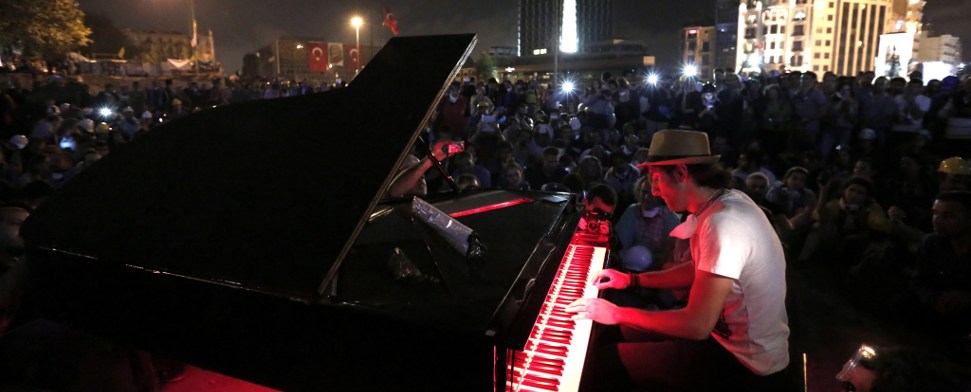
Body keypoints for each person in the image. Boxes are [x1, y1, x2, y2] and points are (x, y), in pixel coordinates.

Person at [567, 130, 789, 391]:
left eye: (657, 179)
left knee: (603, 362)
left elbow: (696, 326)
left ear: (682, 173)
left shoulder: (724, 223)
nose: (654, 190)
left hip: (744, 363)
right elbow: (698, 271)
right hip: (722, 341)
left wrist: (617, 312)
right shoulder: (723, 203)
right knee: (609, 332)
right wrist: (631, 279)